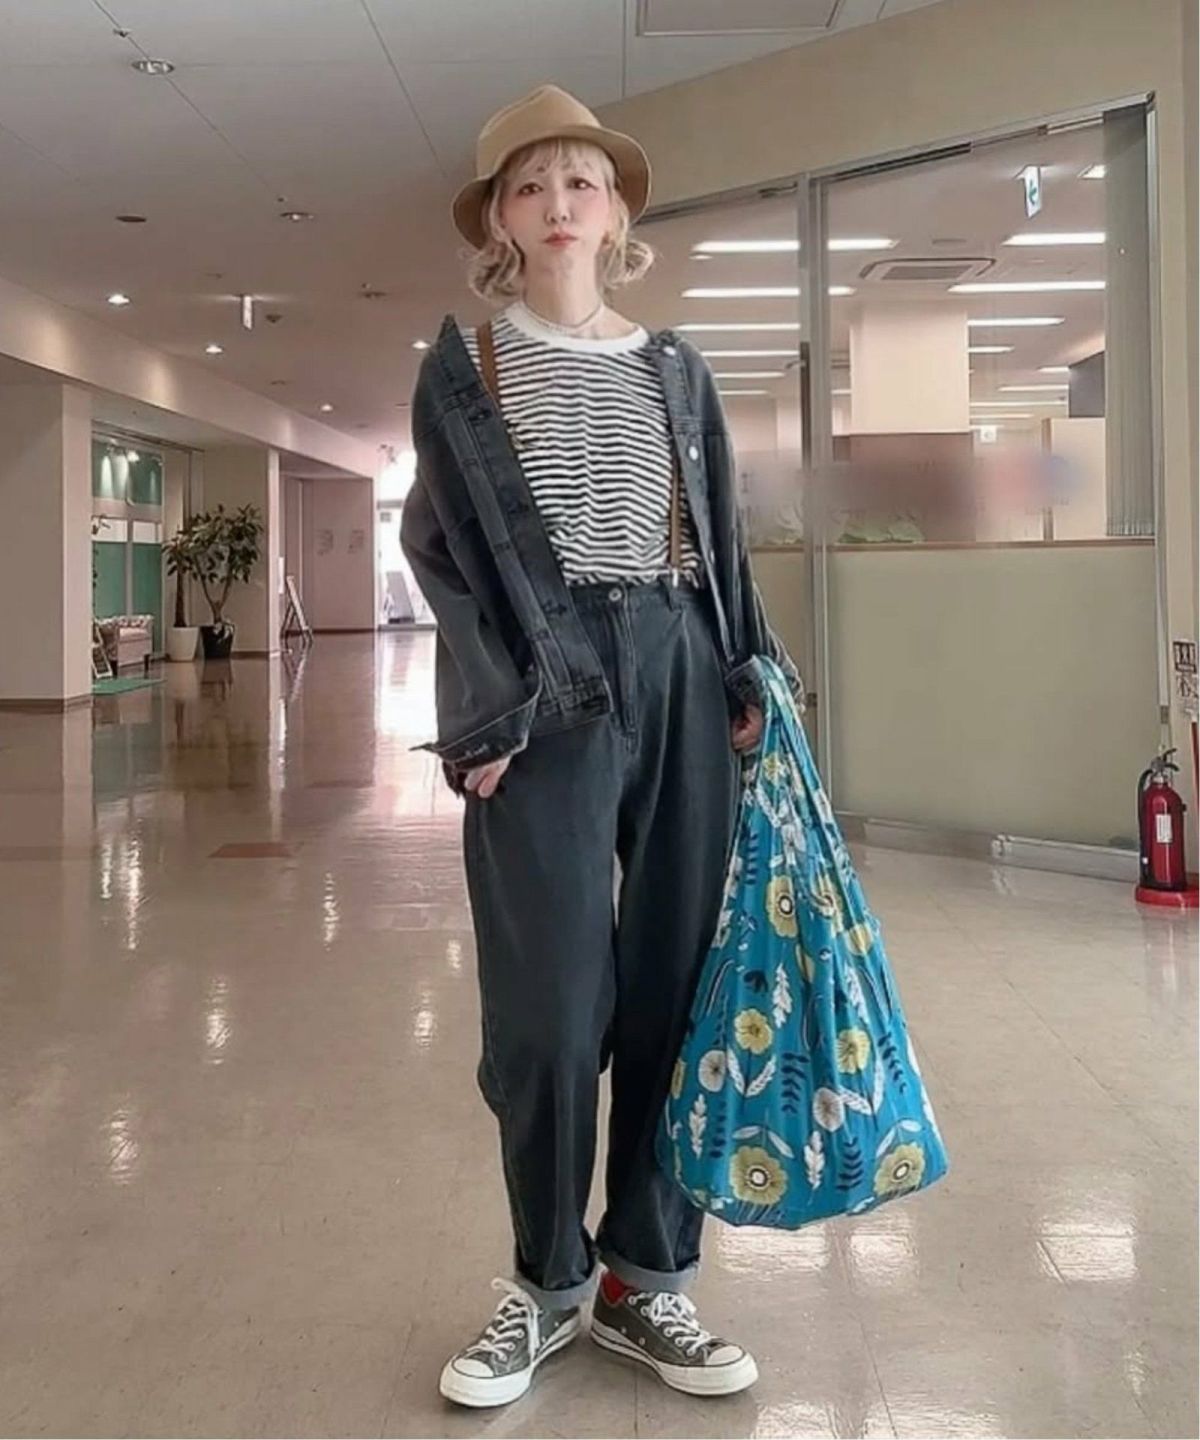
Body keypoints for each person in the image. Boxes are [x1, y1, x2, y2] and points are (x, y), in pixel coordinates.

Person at [401, 85, 804, 1410]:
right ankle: (545, 1283)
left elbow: (720, 534)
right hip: (544, 688)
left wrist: (744, 670)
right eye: (530, 185)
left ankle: (647, 1278)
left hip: (678, 659)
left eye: (581, 181)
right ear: (500, 223)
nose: (558, 202)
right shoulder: (465, 368)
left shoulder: (675, 365)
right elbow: (441, 555)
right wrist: (485, 712)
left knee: (678, 984)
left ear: (618, 212)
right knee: (549, 1006)